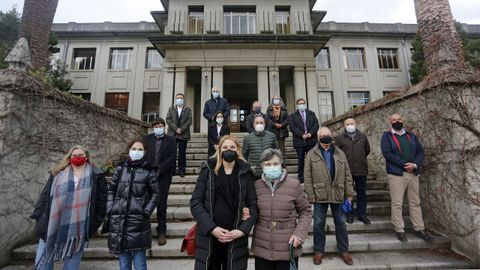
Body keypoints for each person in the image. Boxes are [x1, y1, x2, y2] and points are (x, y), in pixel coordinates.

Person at [31, 146, 107, 270]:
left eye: (80, 155)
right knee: (42, 264)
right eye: (74, 155)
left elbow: (101, 205)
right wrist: (40, 220)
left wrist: (91, 226)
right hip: (51, 226)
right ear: (69, 157)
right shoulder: (57, 173)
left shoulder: (96, 176)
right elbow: (43, 199)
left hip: (77, 230)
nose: (77, 157)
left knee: (71, 266)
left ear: (86, 157)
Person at [190, 135, 258, 270]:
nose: (229, 150)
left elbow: (253, 206)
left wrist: (242, 230)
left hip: (236, 238)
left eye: (232, 147)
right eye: (225, 147)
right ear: (219, 149)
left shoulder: (246, 173)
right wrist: (212, 228)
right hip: (210, 237)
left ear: (238, 149)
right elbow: (196, 202)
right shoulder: (207, 171)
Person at [251, 148, 312, 270]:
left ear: (281, 165)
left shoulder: (294, 185)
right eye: (267, 164)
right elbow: (252, 210)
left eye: (275, 164)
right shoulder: (256, 186)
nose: (271, 167)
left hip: (287, 246)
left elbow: (306, 211)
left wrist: (299, 234)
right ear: (262, 166)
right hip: (262, 246)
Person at [304, 127, 354, 266]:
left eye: (328, 135)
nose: (325, 137)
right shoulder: (311, 154)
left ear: (331, 136)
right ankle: (319, 250)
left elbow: (348, 175)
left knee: (341, 224)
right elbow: (307, 177)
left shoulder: (340, 153)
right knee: (319, 224)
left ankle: (344, 250)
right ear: (318, 137)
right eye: (322, 135)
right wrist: (310, 195)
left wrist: (349, 193)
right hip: (320, 195)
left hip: (338, 193)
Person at [107, 139, 159, 270]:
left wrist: (146, 211)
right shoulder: (120, 168)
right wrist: (110, 208)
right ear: (129, 150)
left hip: (138, 220)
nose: (136, 151)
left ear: (145, 152)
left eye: (140, 149)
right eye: (134, 149)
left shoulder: (149, 170)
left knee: (139, 262)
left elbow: (155, 194)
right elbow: (111, 190)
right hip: (119, 220)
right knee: (124, 264)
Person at [381, 113, 431, 242]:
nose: (397, 121)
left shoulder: (411, 136)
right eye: (394, 120)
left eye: (399, 119)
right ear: (390, 122)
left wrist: (414, 164)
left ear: (403, 120)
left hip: (413, 173)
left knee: (415, 202)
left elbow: (420, 151)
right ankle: (399, 229)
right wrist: (404, 164)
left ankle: (419, 228)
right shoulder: (387, 137)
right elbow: (387, 153)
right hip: (397, 174)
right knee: (397, 203)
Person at [144, 117, 176, 246]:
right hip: (148, 175)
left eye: (160, 125)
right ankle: (144, 231)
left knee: (161, 204)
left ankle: (162, 231)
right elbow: (144, 154)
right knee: (146, 203)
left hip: (164, 176)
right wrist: (150, 169)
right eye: (156, 125)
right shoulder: (146, 139)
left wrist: (160, 169)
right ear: (153, 127)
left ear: (164, 126)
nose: (158, 127)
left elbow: (172, 158)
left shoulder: (171, 140)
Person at [334, 118, 371, 224]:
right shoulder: (339, 138)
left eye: (352, 123)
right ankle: (349, 214)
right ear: (344, 126)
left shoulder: (363, 137)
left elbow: (366, 150)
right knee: (347, 194)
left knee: (361, 194)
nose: (350, 125)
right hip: (346, 171)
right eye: (347, 124)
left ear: (355, 124)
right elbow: (336, 153)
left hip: (361, 170)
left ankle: (361, 214)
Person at [288, 98, 319, 183]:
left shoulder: (312, 114)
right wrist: (302, 135)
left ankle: (313, 176)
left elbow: (316, 125)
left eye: (302, 103)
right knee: (301, 160)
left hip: (311, 141)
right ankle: (301, 177)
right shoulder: (292, 116)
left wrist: (310, 133)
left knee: (312, 160)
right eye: (299, 104)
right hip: (299, 142)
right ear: (297, 105)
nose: (301, 105)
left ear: (305, 104)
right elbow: (292, 127)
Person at [166, 93, 193, 177]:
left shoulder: (188, 109)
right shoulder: (171, 109)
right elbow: (168, 119)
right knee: (172, 153)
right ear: (175, 99)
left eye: (181, 98)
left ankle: (182, 170)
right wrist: (176, 129)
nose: (179, 99)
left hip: (183, 134)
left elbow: (189, 121)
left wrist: (181, 129)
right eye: (178, 98)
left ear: (183, 100)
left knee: (182, 153)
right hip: (172, 134)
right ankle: (172, 170)